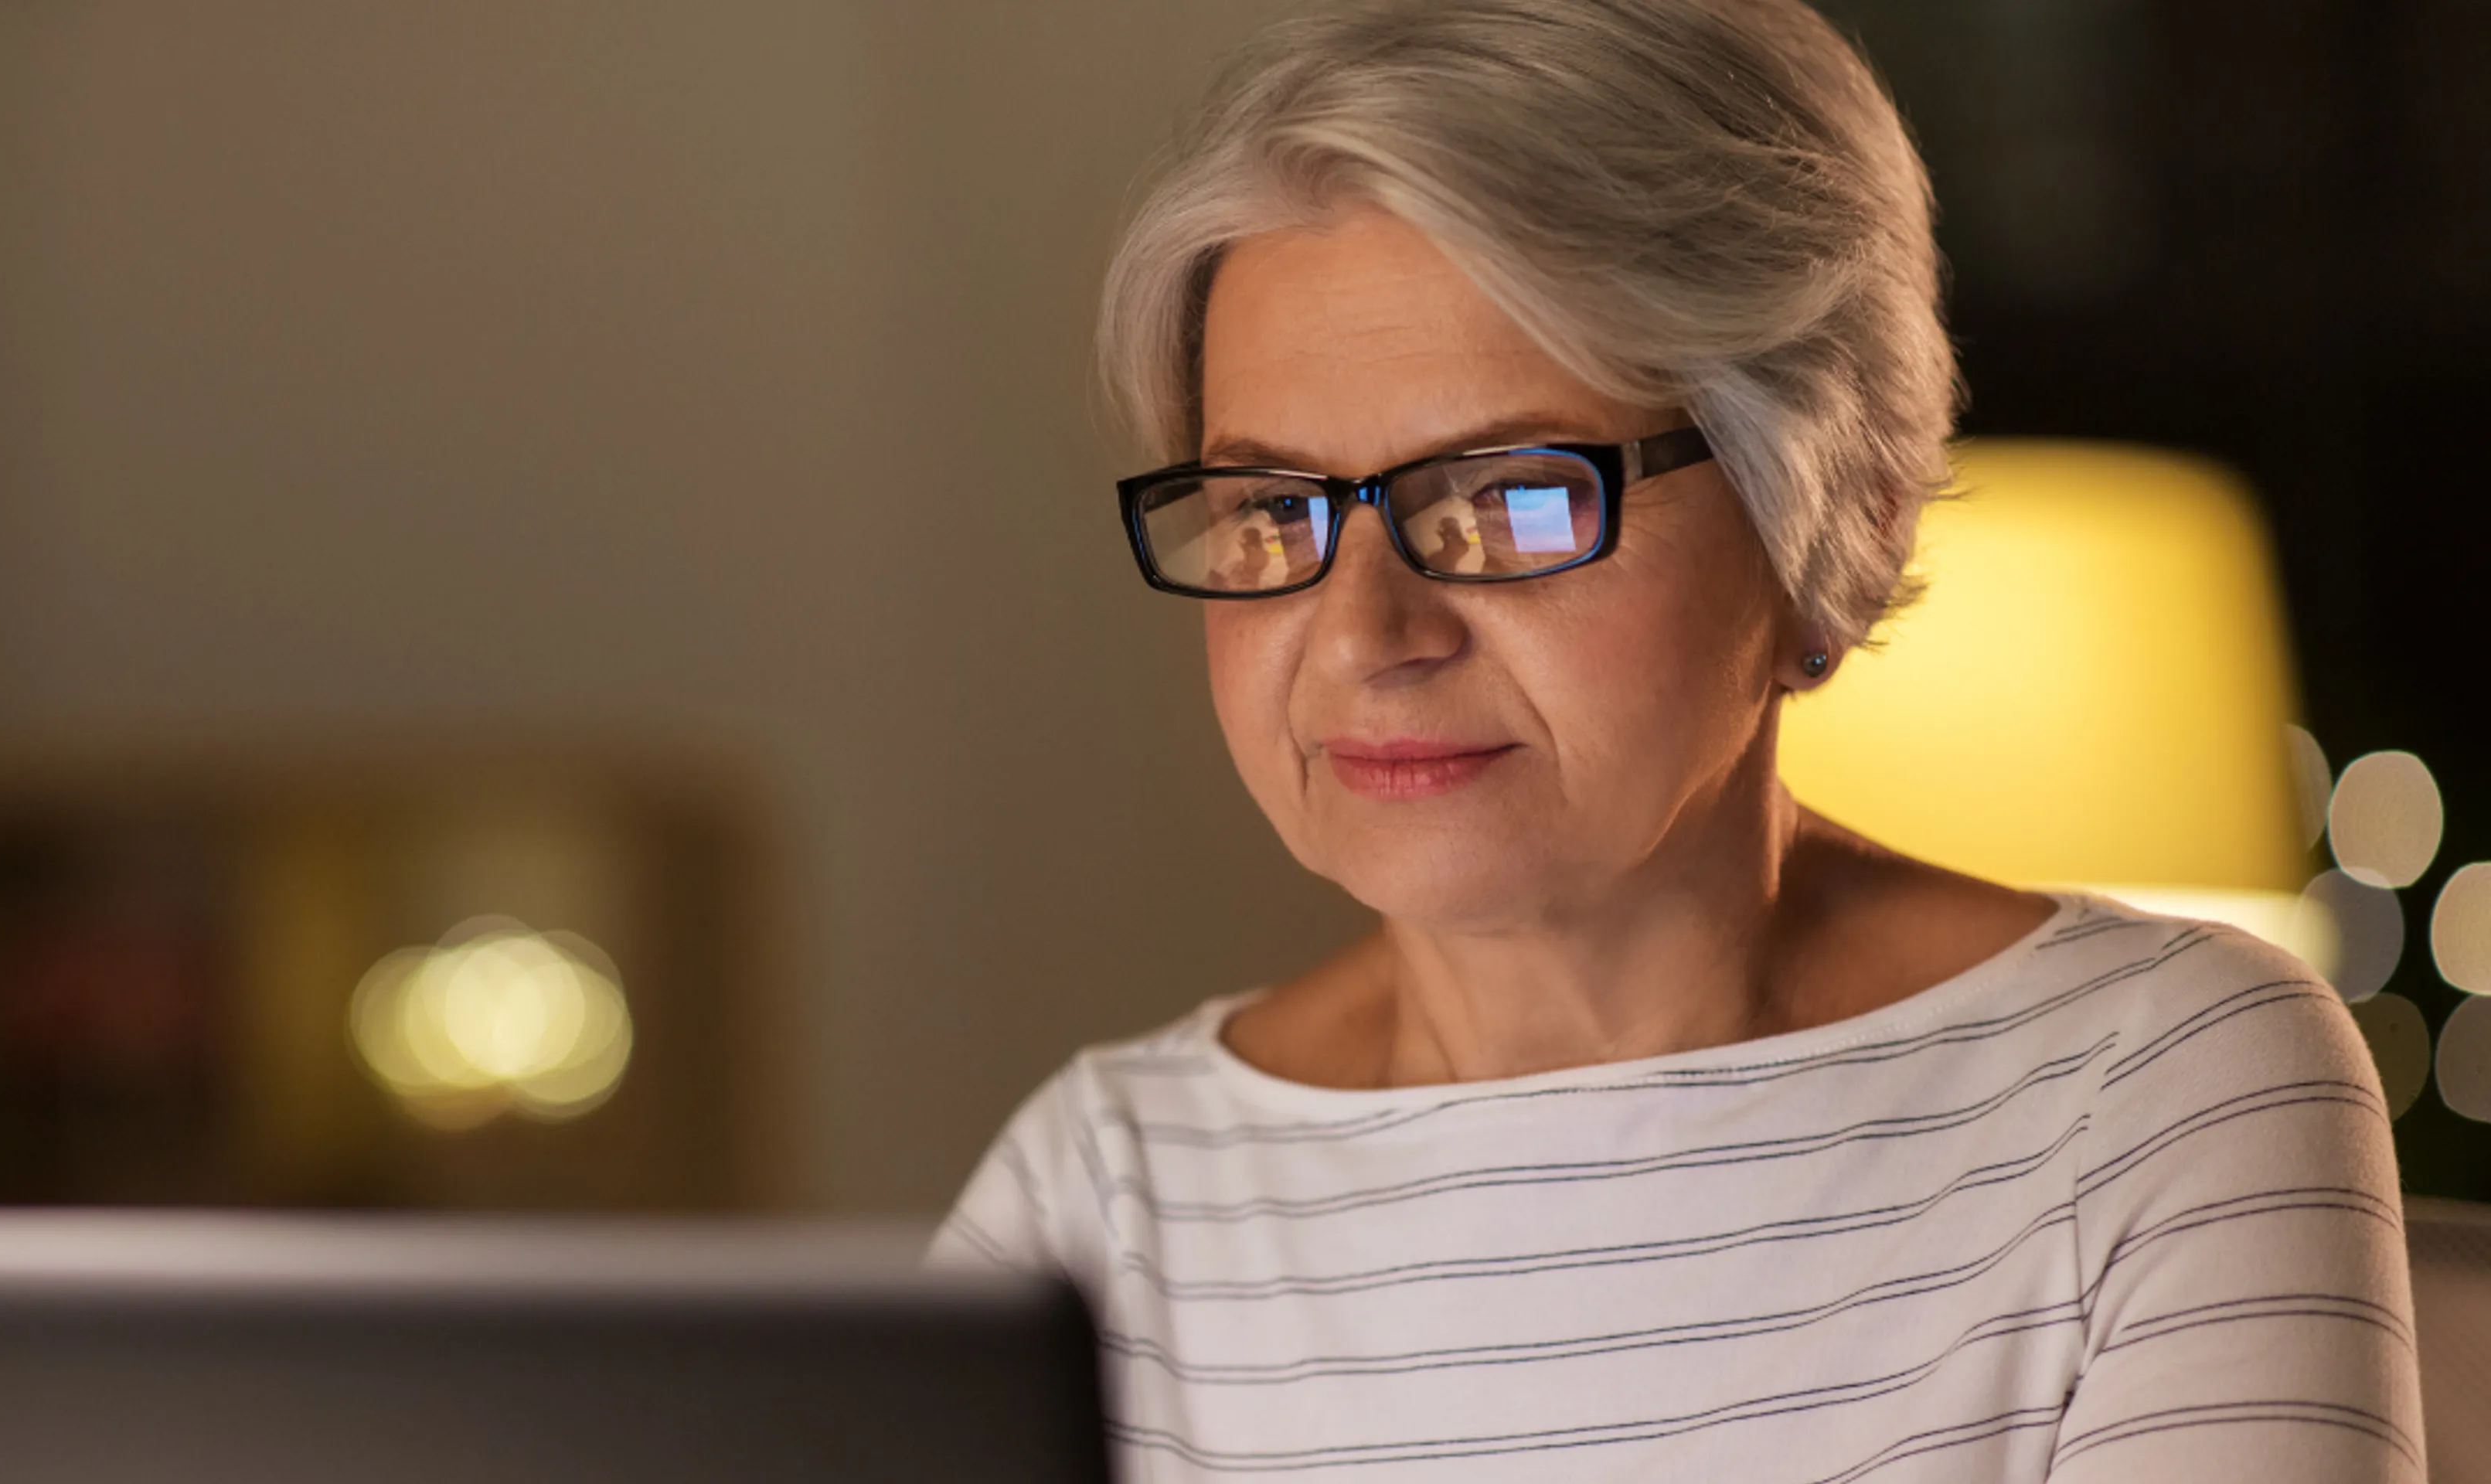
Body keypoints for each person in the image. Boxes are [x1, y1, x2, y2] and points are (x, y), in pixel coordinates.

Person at [929, 2, 2423, 1479]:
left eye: (1508, 499)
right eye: (1272, 510)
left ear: (1825, 510)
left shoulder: (2159, 1097)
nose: (1367, 636)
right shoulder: (1102, 1191)